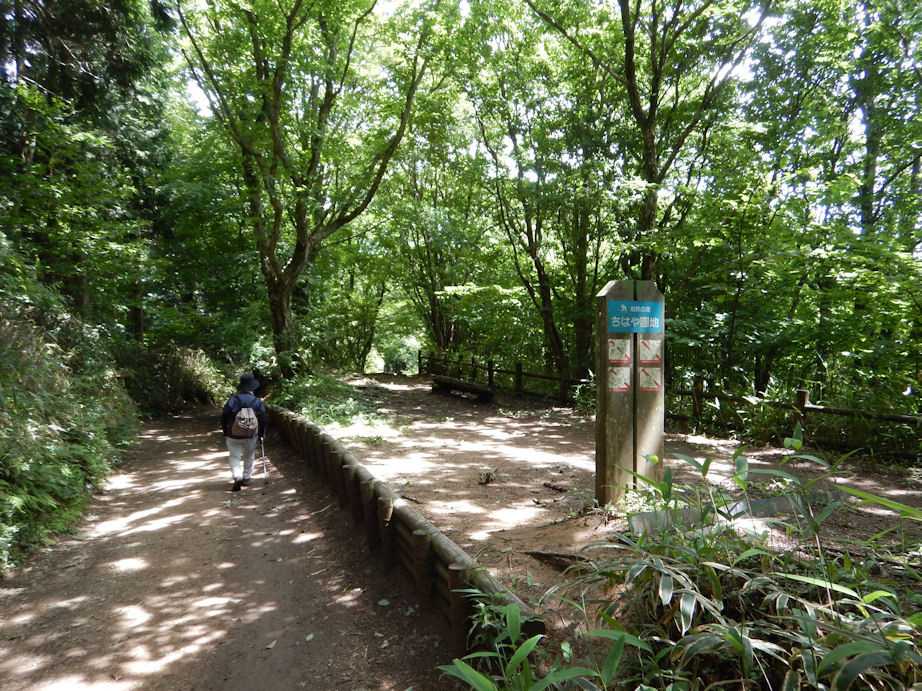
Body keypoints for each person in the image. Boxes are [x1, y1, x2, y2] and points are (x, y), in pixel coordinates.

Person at [221, 372, 268, 492]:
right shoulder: (256, 401)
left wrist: (225, 431)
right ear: (252, 387)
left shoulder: (233, 399)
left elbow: (224, 415)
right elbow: (263, 418)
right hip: (251, 434)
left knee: (234, 456)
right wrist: (261, 433)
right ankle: (246, 477)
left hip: (233, 434)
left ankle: (237, 475)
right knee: (249, 456)